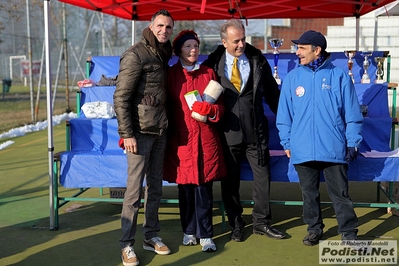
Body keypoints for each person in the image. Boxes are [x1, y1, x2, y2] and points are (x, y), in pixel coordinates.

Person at [276, 30, 363, 246]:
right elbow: (284, 116)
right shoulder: (292, 78)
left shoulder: (339, 76)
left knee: (340, 194)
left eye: (302, 48)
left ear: (317, 50)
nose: (297, 52)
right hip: (302, 148)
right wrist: (287, 142)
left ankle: (348, 231)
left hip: (333, 147)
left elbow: (352, 113)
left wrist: (352, 142)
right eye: (298, 48)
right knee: (309, 194)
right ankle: (314, 229)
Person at [202, 19, 286, 242]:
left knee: (263, 179)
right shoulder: (212, 64)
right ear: (224, 42)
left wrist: (287, 123)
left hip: (256, 133)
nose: (241, 44)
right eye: (236, 41)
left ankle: (261, 222)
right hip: (227, 134)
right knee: (230, 183)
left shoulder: (258, 60)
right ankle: (236, 225)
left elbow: (272, 94)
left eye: (243, 39)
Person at [113, 9, 174, 266]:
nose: (164, 30)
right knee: (134, 191)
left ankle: (151, 235)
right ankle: (127, 244)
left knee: (156, 189)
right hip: (138, 133)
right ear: (151, 25)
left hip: (159, 130)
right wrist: (127, 134)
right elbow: (120, 98)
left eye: (168, 27)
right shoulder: (135, 54)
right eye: (160, 26)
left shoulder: (163, 52)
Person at [163, 29, 227, 252]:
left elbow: (220, 106)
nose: (193, 50)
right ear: (179, 49)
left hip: (205, 141)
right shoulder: (170, 75)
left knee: (204, 190)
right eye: (188, 46)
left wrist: (211, 110)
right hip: (181, 142)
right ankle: (189, 231)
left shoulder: (208, 73)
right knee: (185, 191)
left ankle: (206, 234)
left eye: (196, 46)